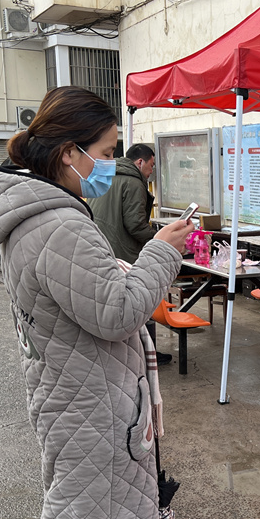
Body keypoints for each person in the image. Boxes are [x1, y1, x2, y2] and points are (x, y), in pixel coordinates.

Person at [0, 86, 192, 519]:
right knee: (72, 513)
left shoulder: (37, 213)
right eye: (105, 150)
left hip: (66, 382)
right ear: (70, 153)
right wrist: (161, 253)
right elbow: (118, 313)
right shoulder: (58, 224)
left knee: (73, 502)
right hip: (83, 393)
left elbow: (81, 298)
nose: (109, 164)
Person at [89, 142, 173, 365]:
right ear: (140, 162)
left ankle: (128, 353)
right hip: (124, 252)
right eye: (151, 166)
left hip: (102, 247)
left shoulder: (106, 176)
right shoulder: (134, 182)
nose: (151, 171)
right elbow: (135, 225)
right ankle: (147, 354)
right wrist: (161, 239)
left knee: (115, 304)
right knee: (141, 302)